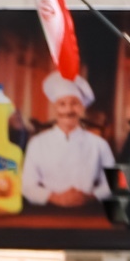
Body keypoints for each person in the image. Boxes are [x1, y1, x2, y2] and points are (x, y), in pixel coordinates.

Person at [23, 74, 113, 208]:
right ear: (55, 107)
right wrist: (54, 197)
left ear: (82, 108)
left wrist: (90, 196)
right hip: (46, 211)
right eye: (62, 104)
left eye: (74, 103)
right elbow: (27, 186)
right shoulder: (37, 143)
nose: (68, 110)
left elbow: (114, 183)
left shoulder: (99, 144)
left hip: (88, 211)